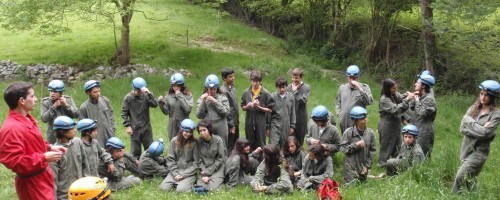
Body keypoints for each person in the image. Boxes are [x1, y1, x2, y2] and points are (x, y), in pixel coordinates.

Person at [0, 82, 66, 200]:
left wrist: (49, 148)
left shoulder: (27, 118)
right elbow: (15, 162)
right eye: (32, 96)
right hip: (32, 184)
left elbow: (32, 142)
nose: (36, 99)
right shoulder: (11, 129)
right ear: (22, 101)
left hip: (42, 178)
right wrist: (43, 157)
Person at [452, 80, 500, 193]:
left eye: (486, 95)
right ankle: (472, 196)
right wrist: (481, 128)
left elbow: (485, 134)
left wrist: (470, 124)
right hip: (466, 149)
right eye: (481, 93)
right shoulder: (474, 108)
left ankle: (452, 196)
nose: (483, 97)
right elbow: (462, 128)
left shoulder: (495, 114)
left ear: (492, 97)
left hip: (479, 152)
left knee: (460, 176)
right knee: (469, 180)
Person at [50, 116, 88, 200]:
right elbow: (53, 180)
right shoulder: (55, 153)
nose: (75, 130)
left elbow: (85, 165)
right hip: (64, 196)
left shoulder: (78, 142)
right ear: (63, 132)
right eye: (72, 128)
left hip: (81, 192)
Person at [378, 78, 414, 166]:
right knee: (386, 145)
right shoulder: (384, 99)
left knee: (397, 145)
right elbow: (396, 109)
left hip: (395, 124)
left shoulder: (393, 94)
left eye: (396, 88)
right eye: (394, 88)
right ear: (388, 88)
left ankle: (395, 163)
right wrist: (407, 99)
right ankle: (382, 164)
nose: (395, 90)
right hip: (387, 124)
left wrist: (407, 95)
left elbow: (400, 97)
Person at [121, 77, 158, 160]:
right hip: (135, 129)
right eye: (138, 91)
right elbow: (124, 113)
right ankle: (136, 169)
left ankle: (150, 167)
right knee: (135, 152)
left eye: (141, 91)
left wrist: (149, 94)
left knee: (150, 149)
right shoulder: (128, 98)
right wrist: (127, 126)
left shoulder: (146, 95)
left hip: (146, 127)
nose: (140, 93)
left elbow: (155, 104)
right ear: (134, 89)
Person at [340, 106, 376, 185]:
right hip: (351, 168)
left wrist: (367, 166)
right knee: (352, 186)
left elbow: (373, 151)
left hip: (364, 168)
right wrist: (355, 145)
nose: (365, 119)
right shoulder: (348, 133)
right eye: (362, 118)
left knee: (363, 186)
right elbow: (343, 148)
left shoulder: (371, 133)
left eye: (365, 117)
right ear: (355, 121)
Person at [160, 119, 199, 192]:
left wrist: (184, 175)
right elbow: (170, 159)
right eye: (186, 131)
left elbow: (196, 163)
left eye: (190, 132)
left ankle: (188, 183)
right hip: (176, 170)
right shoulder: (174, 141)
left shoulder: (194, 143)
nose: (188, 134)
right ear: (181, 130)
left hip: (188, 172)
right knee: (164, 188)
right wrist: (175, 174)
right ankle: (178, 182)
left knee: (180, 190)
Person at [241, 70, 274, 150]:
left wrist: (259, 107)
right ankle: (250, 159)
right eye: (253, 81)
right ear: (251, 80)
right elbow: (242, 107)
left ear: (260, 81)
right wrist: (247, 106)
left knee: (261, 143)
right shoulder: (246, 92)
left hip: (260, 123)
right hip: (249, 122)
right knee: (249, 142)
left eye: (257, 81)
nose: (255, 83)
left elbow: (270, 110)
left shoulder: (265, 93)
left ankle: (262, 160)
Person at [196, 74, 230, 152]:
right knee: (209, 147)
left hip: (221, 126)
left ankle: (224, 162)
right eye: (210, 89)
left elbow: (226, 113)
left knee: (222, 147)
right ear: (206, 88)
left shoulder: (222, 98)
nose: (212, 91)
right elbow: (199, 115)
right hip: (208, 127)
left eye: (214, 89)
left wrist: (216, 102)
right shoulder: (202, 99)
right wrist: (203, 101)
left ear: (217, 88)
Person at [335, 65, 374, 134]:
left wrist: (360, 88)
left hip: (357, 121)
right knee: (345, 141)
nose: (352, 80)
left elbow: (369, 102)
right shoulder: (342, 88)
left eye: (354, 78)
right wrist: (340, 115)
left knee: (357, 141)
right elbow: (338, 102)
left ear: (358, 77)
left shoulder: (365, 87)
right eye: (350, 78)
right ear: (347, 77)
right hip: (344, 120)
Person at [41, 80, 80, 144]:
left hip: (68, 134)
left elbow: (76, 115)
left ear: (61, 92)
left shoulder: (68, 100)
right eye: (50, 91)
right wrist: (54, 107)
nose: (52, 93)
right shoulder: (45, 102)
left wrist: (66, 105)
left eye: (55, 91)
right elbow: (44, 119)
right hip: (53, 135)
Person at [80, 80, 116, 147]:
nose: (98, 93)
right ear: (88, 92)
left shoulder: (105, 100)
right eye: (95, 92)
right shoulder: (84, 108)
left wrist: (112, 128)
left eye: (99, 91)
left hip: (109, 134)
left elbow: (111, 115)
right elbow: (83, 128)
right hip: (96, 138)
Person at [158, 73, 193, 141]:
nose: (175, 87)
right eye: (173, 85)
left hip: (184, 122)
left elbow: (188, 109)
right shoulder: (168, 96)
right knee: (173, 142)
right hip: (172, 124)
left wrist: (179, 95)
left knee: (185, 142)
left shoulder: (187, 95)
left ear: (181, 85)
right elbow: (166, 112)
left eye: (177, 85)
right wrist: (161, 103)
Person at [410, 74, 437, 157]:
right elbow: (412, 107)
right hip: (416, 126)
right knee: (412, 151)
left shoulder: (429, 99)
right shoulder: (421, 96)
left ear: (423, 86)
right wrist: (415, 96)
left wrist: (417, 101)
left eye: (418, 83)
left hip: (424, 130)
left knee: (421, 153)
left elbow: (422, 113)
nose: (415, 84)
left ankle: (421, 170)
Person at [195, 119, 227, 190]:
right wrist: (204, 171)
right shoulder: (198, 142)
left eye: (204, 130)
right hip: (204, 169)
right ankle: (210, 180)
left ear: (209, 129)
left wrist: (208, 172)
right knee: (201, 187)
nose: (202, 133)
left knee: (213, 188)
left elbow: (221, 158)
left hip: (217, 168)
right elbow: (198, 159)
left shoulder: (218, 140)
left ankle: (218, 180)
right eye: (200, 131)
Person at [286, 68, 311, 146]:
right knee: (290, 139)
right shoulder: (288, 87)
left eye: (296, 78)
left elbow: (304, 101)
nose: (294, 80)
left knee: (300, 140)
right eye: (293, 77)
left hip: (301, 118)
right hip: (290, 118)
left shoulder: (306, 87)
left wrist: (296, 92)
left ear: (301, 77)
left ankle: (299, 156)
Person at [270, 77, 296, 149]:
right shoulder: (272, 97)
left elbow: (293, 112)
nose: (282, 89)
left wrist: (292, 126)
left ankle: (283, 159)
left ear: (286, 86)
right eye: (279, 87)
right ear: (277, 87)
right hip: (275, 123)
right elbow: (269, 113)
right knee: (273, 144)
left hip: (286, 124)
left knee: (284, 144)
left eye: (283, 87)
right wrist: (267, 127)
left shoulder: (291, 97)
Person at [220, 68, 240, 153]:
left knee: (236, 143)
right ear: (224, 78)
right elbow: (227, 109)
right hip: (230, 123)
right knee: (230, 144)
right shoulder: (223, 91)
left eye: (233, 76)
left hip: (235, 121)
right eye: (230, 77)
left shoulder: (232, 88)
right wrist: (231, 124)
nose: (233, 78)